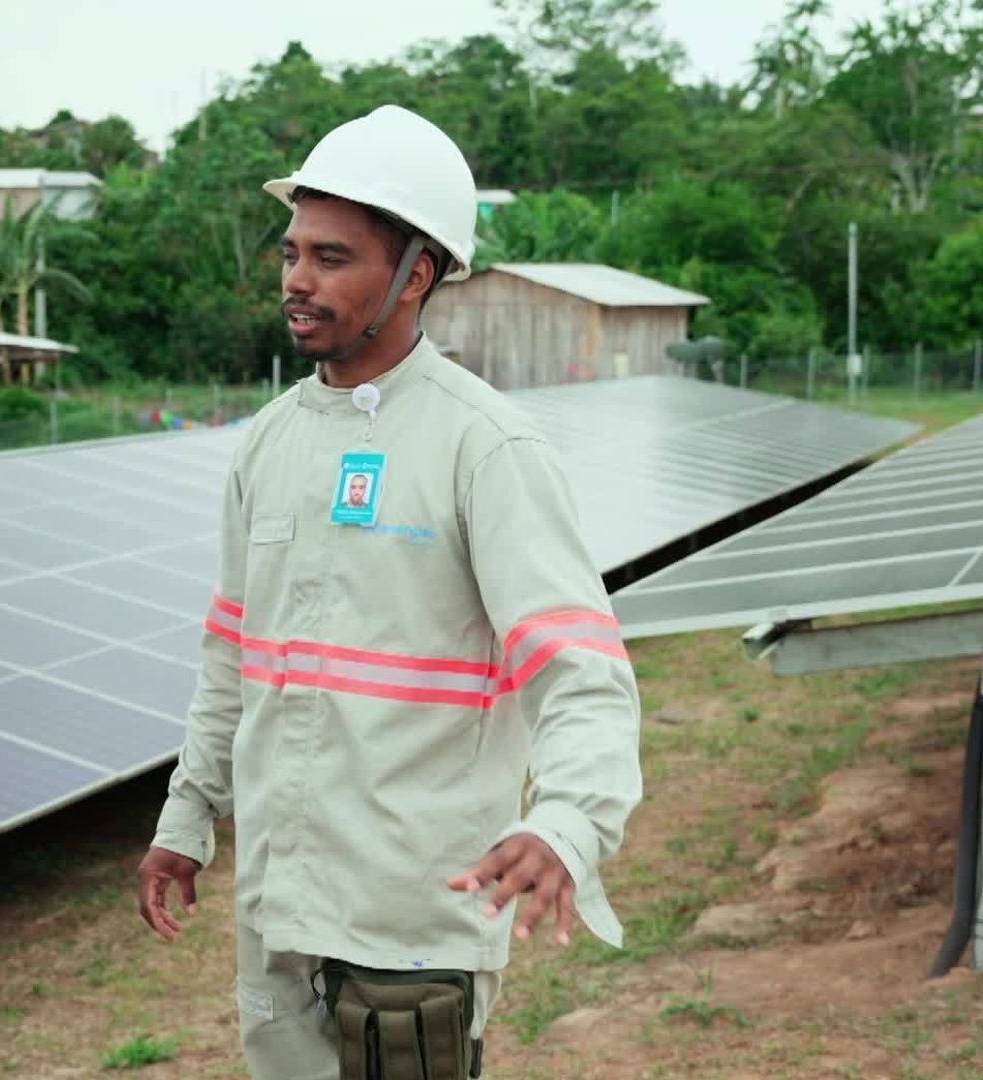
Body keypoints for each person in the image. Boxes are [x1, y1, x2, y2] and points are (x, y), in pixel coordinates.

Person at [135, 104, 643, 1080]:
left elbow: (579, 669)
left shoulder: (483, 448)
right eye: (291, 252)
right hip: (279, 913)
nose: (295, 279)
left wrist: (568, 821)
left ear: (416, 275)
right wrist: (187, 817)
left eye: (332, 257)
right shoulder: (271, 443)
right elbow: (233, 658)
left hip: (413, 920)